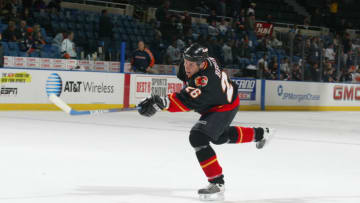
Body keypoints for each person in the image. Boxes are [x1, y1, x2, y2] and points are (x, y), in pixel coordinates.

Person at [137, 43, 273, 201]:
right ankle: (260, 134)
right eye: (185, 62)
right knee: (219, 137)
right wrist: (158, 101)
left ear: (201, 64)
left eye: (191, 64)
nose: (187, 67)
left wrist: (161, 103)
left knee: (198, 137)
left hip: (224, 105)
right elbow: (187, 88)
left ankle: (217, 182)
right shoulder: (204, 60)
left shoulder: (205, 81)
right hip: (216, 101)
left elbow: (185, 100)